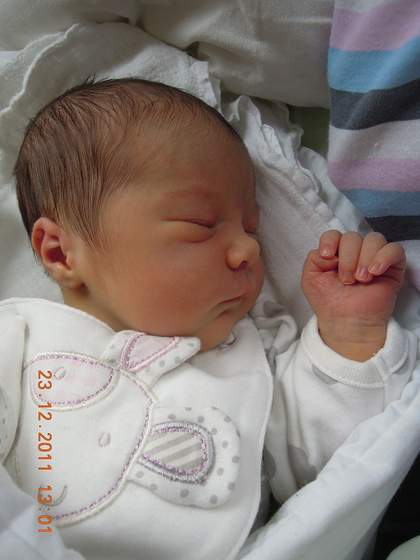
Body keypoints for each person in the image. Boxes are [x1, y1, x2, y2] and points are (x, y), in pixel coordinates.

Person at [0, 77, 417, 560]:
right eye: (200, 224)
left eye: (251, 229)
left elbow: (327, 462)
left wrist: (349, 330)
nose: (248, 250)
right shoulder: (20, 340)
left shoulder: (253, 358)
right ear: (59, 252)